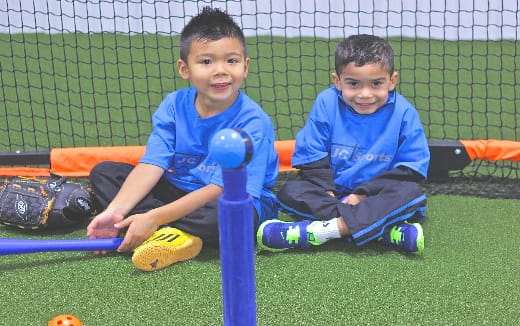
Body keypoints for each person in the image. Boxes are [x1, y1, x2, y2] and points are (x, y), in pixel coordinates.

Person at [87, 7, 279, 271]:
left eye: (231, 61)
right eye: (206, 62)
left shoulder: (253, 122)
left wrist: (153, 217)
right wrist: (115, 212)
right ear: (184, 68)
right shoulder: (174, 105)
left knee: (231, 219)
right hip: (180, 190)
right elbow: (153, 164)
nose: (220, 71)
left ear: (245, 67)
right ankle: (176, 234)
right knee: (105, 173)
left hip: (231, 199)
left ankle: (160, 229)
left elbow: (221, 188)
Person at [257, 34, 430, 254]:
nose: (365, 94)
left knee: (410, 193)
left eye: (376, 83)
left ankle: (324, 230)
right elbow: (312, 153)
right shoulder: (326, 102)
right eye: (353, 84)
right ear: (337, 81)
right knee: (291, 191)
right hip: (332, 193)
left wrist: (362, 196)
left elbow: (409, 169)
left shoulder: (405, 112)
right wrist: (327, 192)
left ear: (392, 80)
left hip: (377, 195)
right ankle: (383, 232)